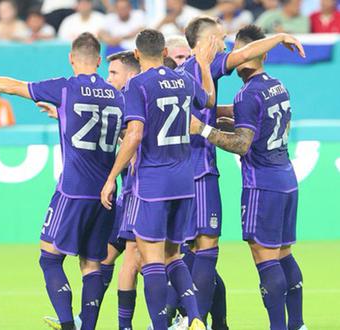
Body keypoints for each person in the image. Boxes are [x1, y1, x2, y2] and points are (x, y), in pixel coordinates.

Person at [0, 32, 125, 330]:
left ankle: (67, 324)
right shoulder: (117, 94)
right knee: (91, 264)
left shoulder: (66, 87)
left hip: (73, 189)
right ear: (100, 61)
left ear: (71, 59)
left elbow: (13, 87)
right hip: (106, 192)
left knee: (49, 258)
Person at [175, 15, 305, 329]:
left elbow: (243, 144)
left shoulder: (243, 93)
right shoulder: (278, 86)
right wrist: (221, 116)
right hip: (286, 176)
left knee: (255, 256)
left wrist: (204, 128)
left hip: (258, 183)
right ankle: (296, 324)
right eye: (220, 39)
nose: (224, 46)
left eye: (229, 43)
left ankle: (194, 320)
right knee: (282, 253)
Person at [101, 28, 218, 330]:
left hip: (152, 182)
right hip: (185, 180)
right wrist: (204, 65)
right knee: (173, 255)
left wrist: (112, 176)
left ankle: (160, 326)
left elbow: (135, 134)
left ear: (137, 55)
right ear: (165, 52)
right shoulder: (184, 79)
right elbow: (208, 101)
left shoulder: (137, 85)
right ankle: (194, 317)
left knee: (150, 260)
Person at [39, 50, 141, 330]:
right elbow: (117, 132)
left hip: (127, 196)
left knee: (150, 260)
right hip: (117, 196)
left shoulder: (130, 100)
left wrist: (112, 176)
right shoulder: (124, 103)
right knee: (101, 261)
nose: (109, 79)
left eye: (114, 73)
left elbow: (133, 144)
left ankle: (176, 318)